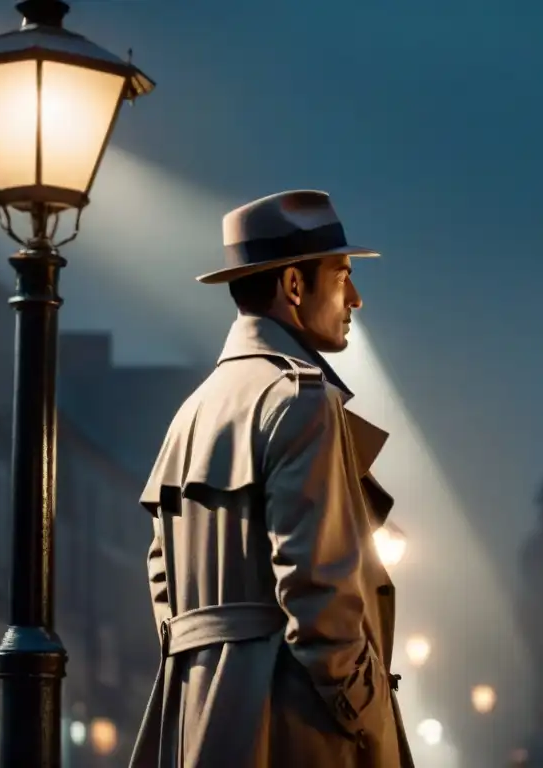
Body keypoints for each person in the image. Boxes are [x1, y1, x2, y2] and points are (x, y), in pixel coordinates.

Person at [129, 190, 415, 768]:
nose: (354, 297)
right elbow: (318, 588)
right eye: (342, 276)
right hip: (293, 729)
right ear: (293, 286)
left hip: (197, 724)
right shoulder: (300, 399)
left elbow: (164, 581)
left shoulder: (193, 411)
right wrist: (366, 711)